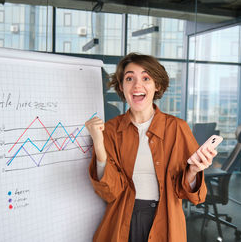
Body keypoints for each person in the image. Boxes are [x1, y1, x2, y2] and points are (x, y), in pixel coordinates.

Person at [85, 53, 217, 242]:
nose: (137, 85)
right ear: (122, 87)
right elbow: (109, 192)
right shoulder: (111, 130)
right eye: (130, 78)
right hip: (123, 219)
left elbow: (191, 193)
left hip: (166, 219)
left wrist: (193, 171)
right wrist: (98, 143)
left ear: (158, 86)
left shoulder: (177, 128)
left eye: (146, 78)